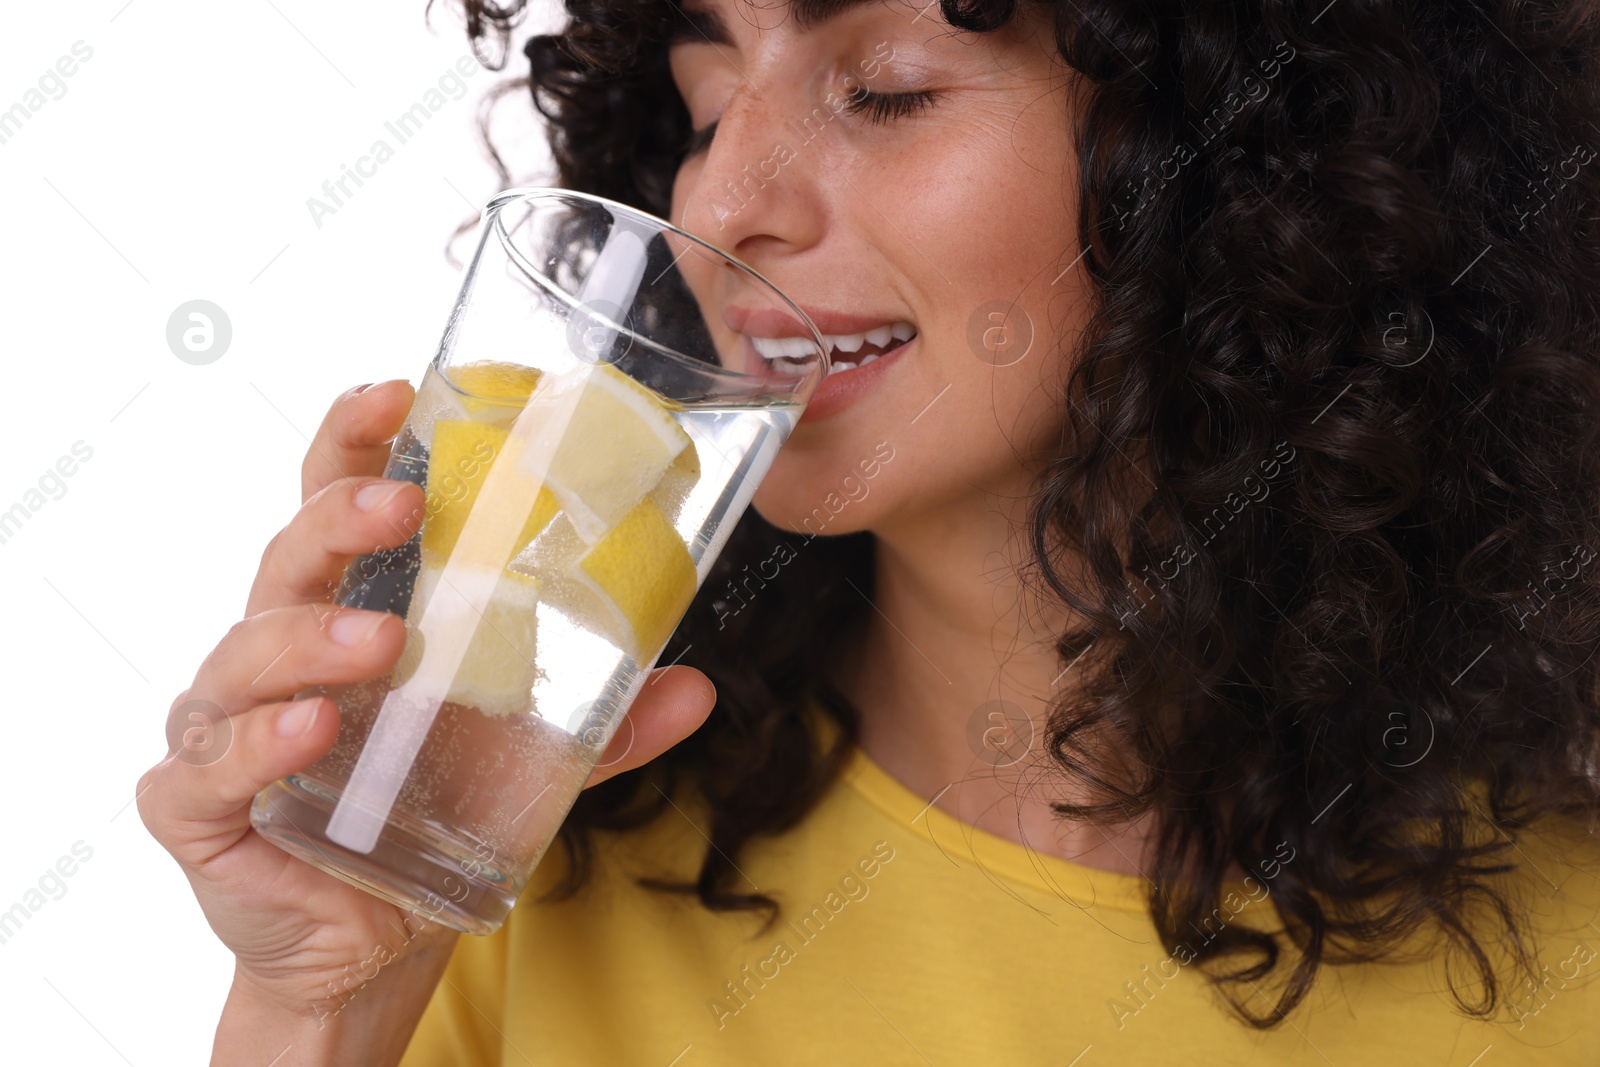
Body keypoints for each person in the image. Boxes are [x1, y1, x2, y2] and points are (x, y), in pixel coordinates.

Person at [142, 0, 1600, 1062]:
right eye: (707, 111)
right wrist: (316, 1007)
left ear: (1243, 160)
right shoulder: (505, 850)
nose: (722, 198)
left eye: (885, 90)